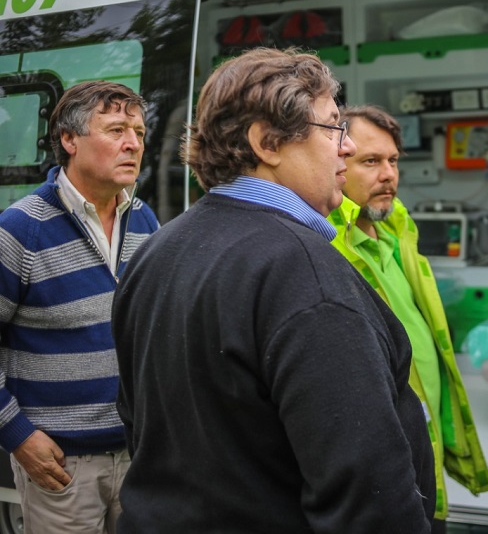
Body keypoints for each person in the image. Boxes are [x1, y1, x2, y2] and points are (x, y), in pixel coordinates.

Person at [111, 49, 435, 532]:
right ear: (266, 143)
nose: (347, 147)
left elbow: (141, 429)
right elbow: (368, 496)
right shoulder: (304, 271)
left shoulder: (155, 252)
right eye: (333, 127)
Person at [327, 104, 488, 534]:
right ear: (336, 163)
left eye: (393, 161)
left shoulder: (396, 233)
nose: (388, 175)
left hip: (425, 447)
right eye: (370, 162)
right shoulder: (327, 247)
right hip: (383, 468)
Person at [0, 80, 158, 533]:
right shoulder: (21, 230)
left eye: (139, 132)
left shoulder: (144, 219)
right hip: (61, 466)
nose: (133, 144)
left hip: (139, 457)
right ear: (69, 140)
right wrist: (17, 435)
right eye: (116, 130)